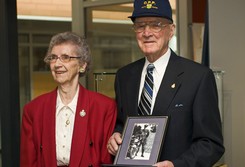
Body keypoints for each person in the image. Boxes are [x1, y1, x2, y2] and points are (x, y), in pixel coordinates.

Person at [107, 0, 225, 167]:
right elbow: (122, 122)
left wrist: (177, 165)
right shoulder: (124, 76)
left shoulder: (198, 77)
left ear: (171, 30)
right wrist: (116, 135)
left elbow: (211, 144)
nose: (147, 33)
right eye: (140, 25)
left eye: (156, 25)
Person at [20, 31, 117, 167]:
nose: (57, 64)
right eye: (53, 57)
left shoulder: (104, 107)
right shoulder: (33, 110)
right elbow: (28, 162)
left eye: (65, 57)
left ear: (82, 65)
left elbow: (106, 160)